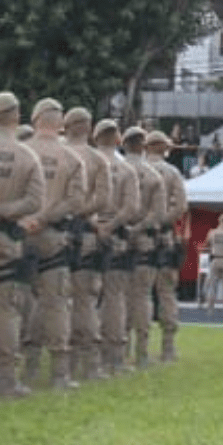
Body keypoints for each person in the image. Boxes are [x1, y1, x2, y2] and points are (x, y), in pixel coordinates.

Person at [0, 92, 45, 398]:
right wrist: (1, 211)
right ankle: (3, 380)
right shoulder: (27, 156)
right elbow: (35, 201)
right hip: (6, 239)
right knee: (6, 311)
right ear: (17, 118)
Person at [19, 98, 85, 389]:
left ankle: (16, 369)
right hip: (54, 238)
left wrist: (28, 219)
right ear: (60, 124)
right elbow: (76, 201)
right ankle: (59, 373)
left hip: (17, 235)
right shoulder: (72, 159)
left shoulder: (21, 152)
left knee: (12, 303)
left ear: (35, 120)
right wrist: (45, 218)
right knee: (55, 302)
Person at [62, 108, 111, 380]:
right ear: (89, 128)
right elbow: (103, 200)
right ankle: (89, 364)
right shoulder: (97, 159)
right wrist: (82, 211)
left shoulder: (54, 153)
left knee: (53, 299)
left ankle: (45, 363)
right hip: (87, 232)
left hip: (56, 230)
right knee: (86, 300)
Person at [94, 119, 138, 374]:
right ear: (117, 139)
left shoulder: (87, 162)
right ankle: (115, 357)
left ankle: (86, 357)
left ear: (96, 137)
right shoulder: (126, 170)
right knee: (115, 298)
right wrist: (112, 225)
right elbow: (131, 208)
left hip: (88, 236)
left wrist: (96, 225)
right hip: (117, 238)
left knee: (84, 298)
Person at [122, 127, 164, 367]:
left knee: (115, 296)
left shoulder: (113, 168)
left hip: (116, 239)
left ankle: (118, 350)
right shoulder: (154, 176)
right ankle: (142, 351)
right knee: (143, 296)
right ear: (143, 145)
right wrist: (139, 228)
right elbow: (158, 214)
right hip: (145, 241)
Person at [146, 131, 187, 360]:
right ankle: (168, 347)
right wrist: (162, 221)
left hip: (137, 236)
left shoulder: (135, 169)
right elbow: (180, 206)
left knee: (133, 294)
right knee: (166, 292)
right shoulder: (172, 173)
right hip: (163, 237)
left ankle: (132, 349)